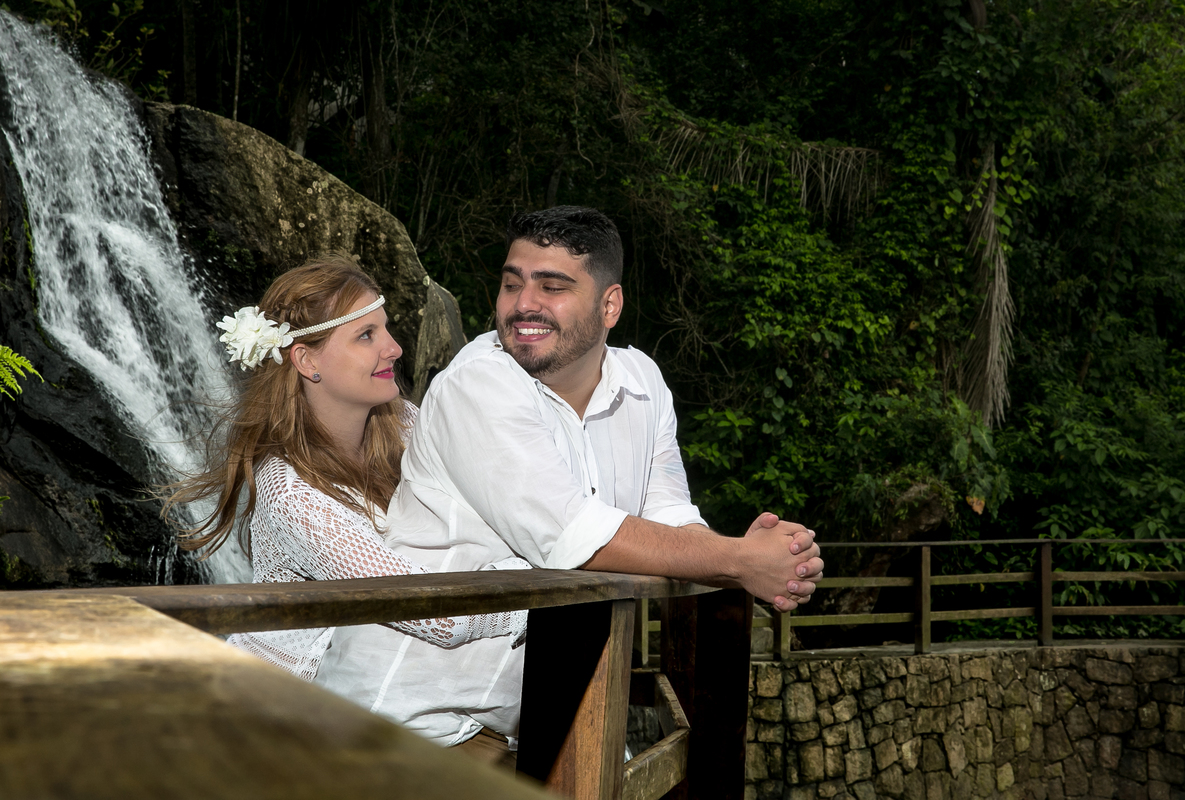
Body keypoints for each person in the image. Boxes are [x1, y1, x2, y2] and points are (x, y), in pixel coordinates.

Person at [319, 206, 824, 756]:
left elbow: (671, 515)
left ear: (610, 305)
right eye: (512, 284)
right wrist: (741, 561)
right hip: (410, 718)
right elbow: (571, 537)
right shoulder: (477, 383)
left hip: (539, 713)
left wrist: (756, 553)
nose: (524, 305)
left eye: (552, 286)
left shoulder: (643, 383)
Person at [162, 254, 526, 685]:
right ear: (307, 361)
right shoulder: (290, 496)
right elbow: (433, 615)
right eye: (366, 335)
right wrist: (543, 594)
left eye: (386, 328)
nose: (394, 347)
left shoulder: (404, 421)